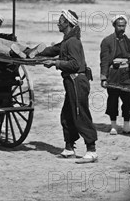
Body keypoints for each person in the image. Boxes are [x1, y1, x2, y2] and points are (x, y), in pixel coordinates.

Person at [37, 10, 98, 163]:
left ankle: (91, 150)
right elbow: (53, 50)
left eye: (60, 21)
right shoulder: (67, 40)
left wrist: (55, 63)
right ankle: (69, 148)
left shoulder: (73, 42)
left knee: (80, 114)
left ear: (68, 24)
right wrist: (34, 53)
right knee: (67, 115)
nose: (58, 23)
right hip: (71, 82)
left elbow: (75, 64)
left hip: (77, 81)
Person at [100, 14, 130, 135]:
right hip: (113, 74)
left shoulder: (127, 40)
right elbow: (104, 60)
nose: (122, 28)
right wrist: (104, 77)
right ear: (114, 25)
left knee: (128, 99)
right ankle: (114, 125)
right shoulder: (107, 41)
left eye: (124, 25)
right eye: (119, 25)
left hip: (126, 74)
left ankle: (126, 125)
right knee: (113, 99)